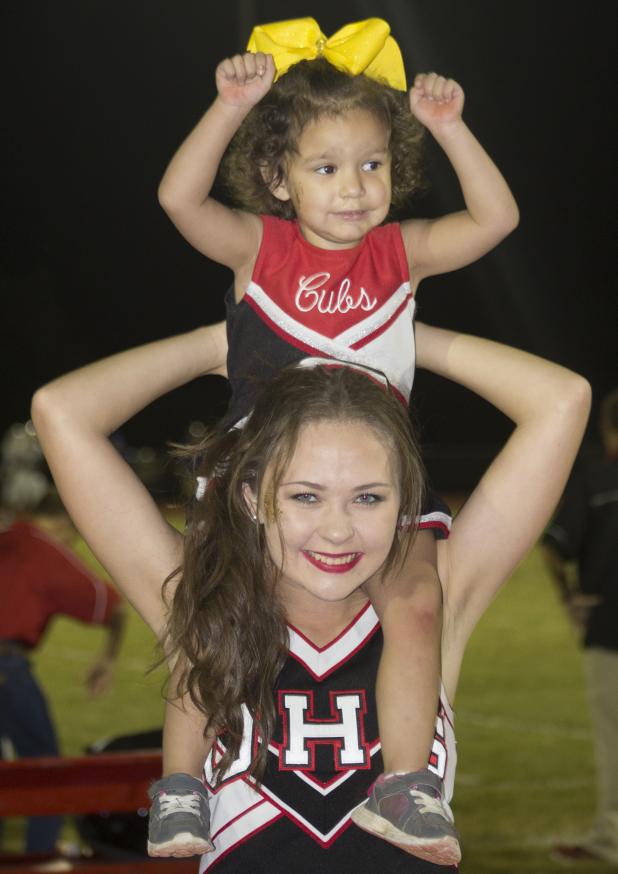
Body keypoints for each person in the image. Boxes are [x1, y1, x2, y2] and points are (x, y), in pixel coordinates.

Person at [31, 318, 589, 872]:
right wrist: (231, 339)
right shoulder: (201, 599)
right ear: (252, 497)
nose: (338, 530)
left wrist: (391, 334)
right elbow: (62, 413)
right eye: (306, 496)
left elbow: (563, 400)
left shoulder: (432, 602)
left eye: (368, 498)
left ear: (405, 504)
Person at [155, 16, 519, 860]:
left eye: (373, 164)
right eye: (326, 168)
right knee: (206, 617)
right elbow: (178, 199)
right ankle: (180, 784)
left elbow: (496, 220)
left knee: (419, 605)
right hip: (264, 482)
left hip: (372, 479)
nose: (354, 187)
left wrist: (452, 128)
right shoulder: (259, 248)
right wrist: (227, 106)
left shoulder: (401, 254)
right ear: (278, 177)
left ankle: (405, 785)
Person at [0, 491, 126, 854]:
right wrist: (106, 660)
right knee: (47, 774)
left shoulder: (10, 534)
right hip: (6, 670)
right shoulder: (45, 550)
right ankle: (39, 856)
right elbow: (113, 607)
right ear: (63, 524)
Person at [542, 388, 618, 866]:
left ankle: (612, 837)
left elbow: (554, 544)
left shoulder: (595, 476)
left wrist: (570, 598)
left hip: (610, 630)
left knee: (614, 741)